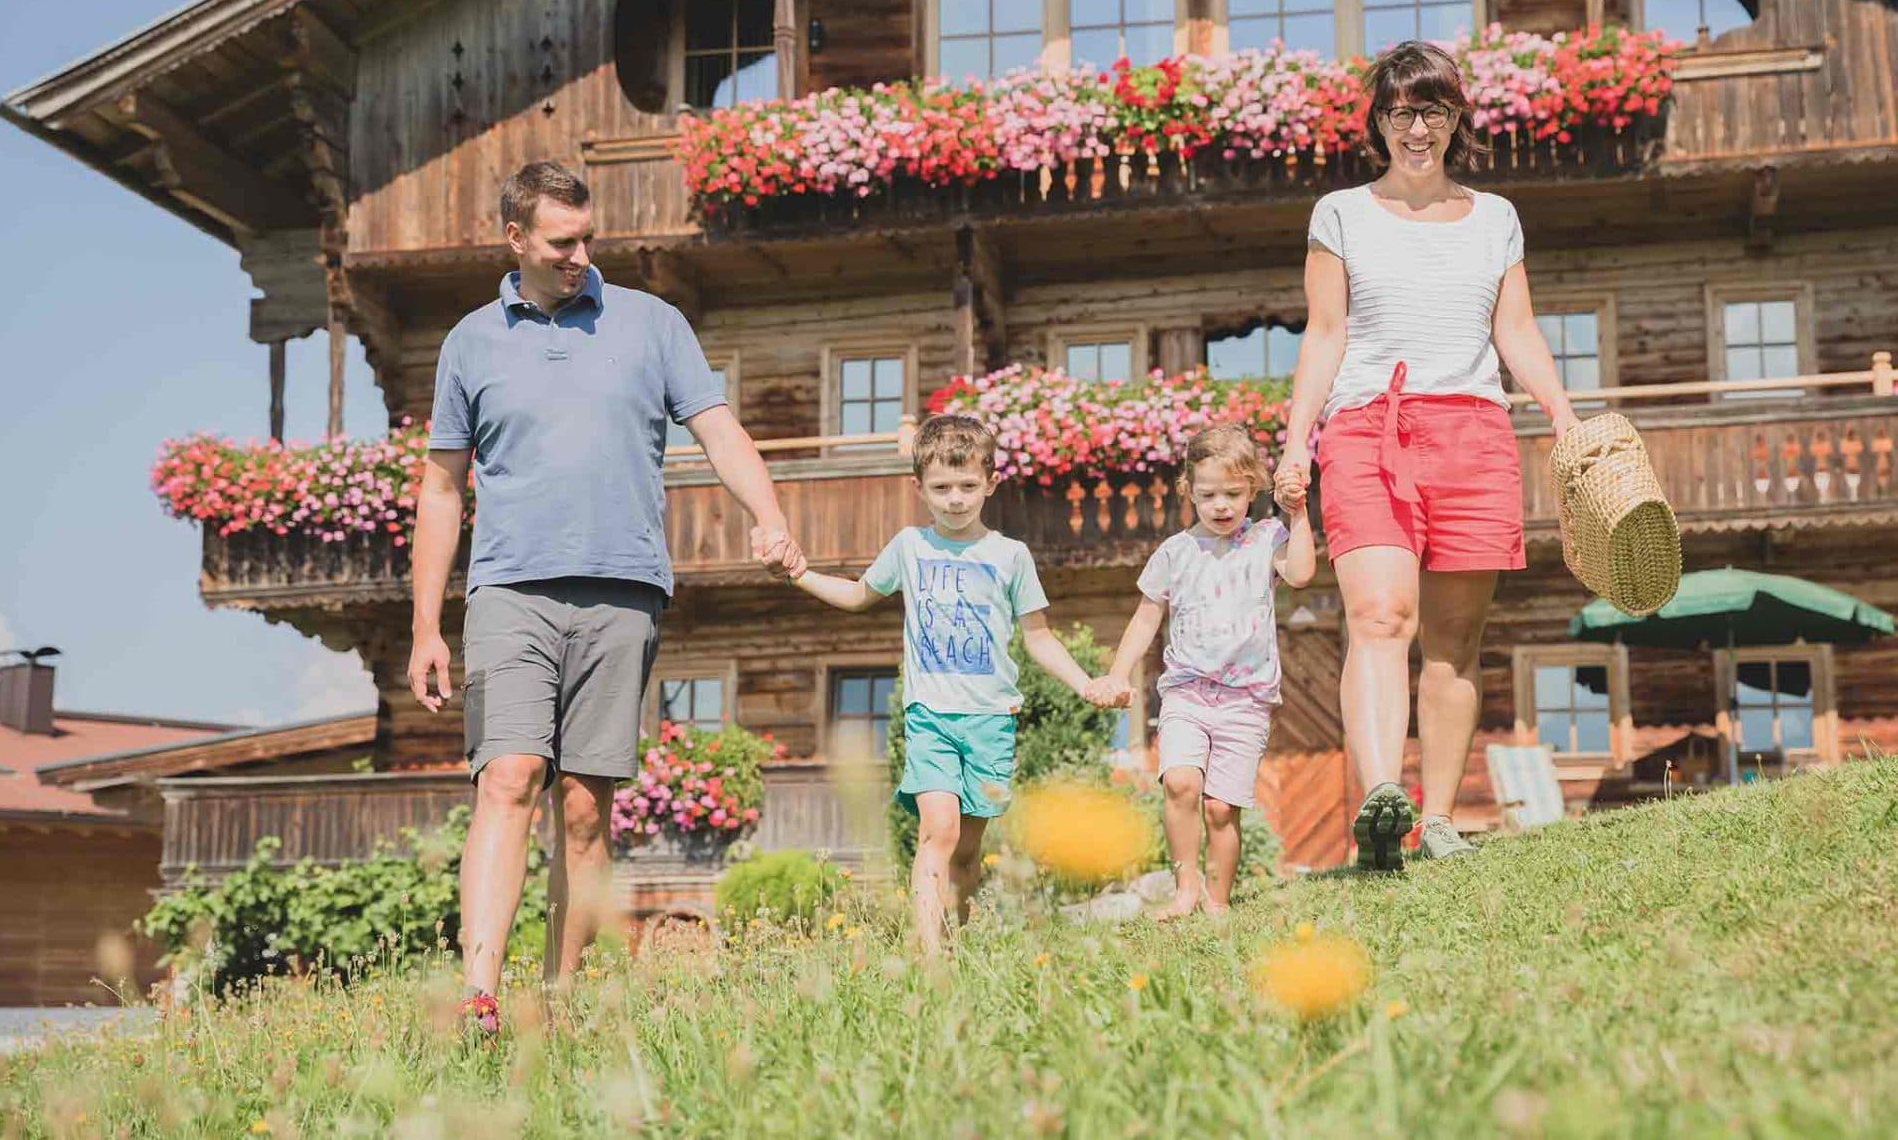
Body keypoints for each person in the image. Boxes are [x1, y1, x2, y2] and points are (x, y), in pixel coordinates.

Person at [404, 160, 801, 1030]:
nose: (582, 254)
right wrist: (426, 623)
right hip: (509, 586)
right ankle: (481, 992)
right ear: (515, 239)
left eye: (588, 238)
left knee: (585, 808)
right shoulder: (471, 342)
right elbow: (442, 487)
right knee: (508, 775)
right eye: (561, 242)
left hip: (623, 590)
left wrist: (767, 513)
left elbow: (718, 430)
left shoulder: (652, 325)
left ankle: (563, 997)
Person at [1274, 41, 1578, 869]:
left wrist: (1563, 412)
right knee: (1378, 616)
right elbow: (1326, 333)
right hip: (1368, 426)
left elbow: (1513, 329)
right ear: (1378, 122)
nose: (1418, 127)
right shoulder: (1340, 213)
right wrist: (1297, 441)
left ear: (1456, 121)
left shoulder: (1495, 218)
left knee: (1454, 637)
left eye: (1434, 110)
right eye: (1403, 111)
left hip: (1475, 430)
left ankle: (1437, 818)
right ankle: (1382, 801)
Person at [787, 412, 1107, 953]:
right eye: (940, 488)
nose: (954, 499)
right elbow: (857, 595)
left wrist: (1085, 683)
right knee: (941, 830)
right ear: (919, 488)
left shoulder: (1010, 556)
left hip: (991, 719)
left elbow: (1040, 638)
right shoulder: (910, 547)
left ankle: (957, 940)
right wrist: (799, 574)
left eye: (966, 486)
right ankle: (927, 951)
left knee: (967, 849)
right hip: (930, 715)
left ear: (990, 484)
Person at [1097, 424, 1315, 918]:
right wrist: (1118, 673)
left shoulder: (1266, 538)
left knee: (1220, 808)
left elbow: (1301, 574)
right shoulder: (1175, 552)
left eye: (1233, 494)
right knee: (1178, 783)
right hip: (1186, 693)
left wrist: (1297, 511)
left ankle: (1218, 901)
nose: (1221, 505)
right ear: (1188, 491)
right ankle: (1186, 890)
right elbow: (1146, 617)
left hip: (1246, 699)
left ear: (1253, 489)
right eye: (1209, 494)